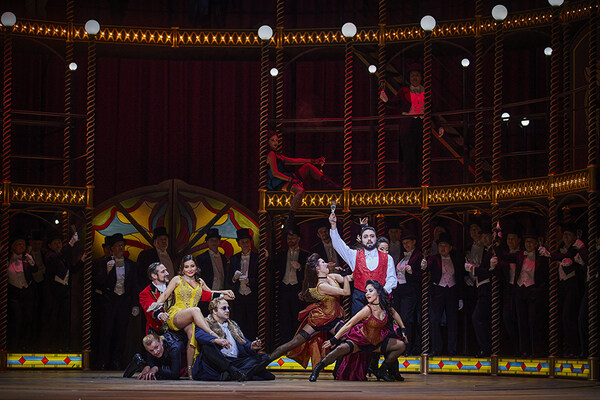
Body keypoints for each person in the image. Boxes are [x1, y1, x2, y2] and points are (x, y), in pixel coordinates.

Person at [147, 255, 234, 378]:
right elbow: (165, 294)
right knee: (196, 310)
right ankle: (213, 335)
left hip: (191, 318)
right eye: (186, 267)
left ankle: (190, 370)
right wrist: (156, 304)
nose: (190, 269)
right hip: (176, 314)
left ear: (196, 267)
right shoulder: (177, 279)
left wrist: (224, 292)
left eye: (192, 266)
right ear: (182, 268)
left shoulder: (200, 281)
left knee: (192, 335)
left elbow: (210, 293)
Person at [309, 280, 408, 382]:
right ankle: (317, 370)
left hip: (377, 342)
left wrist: (403, 328)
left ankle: (382, 370)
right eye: (366, 291)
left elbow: (395, 314)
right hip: (361, 341)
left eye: (370, 291)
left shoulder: (386, 307)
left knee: (401, 346)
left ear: (378, 292)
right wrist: (334, 339)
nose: (367, 294)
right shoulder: (367, 309)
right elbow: (349, 324)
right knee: (339, 349)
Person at [267, 253, 351, 368]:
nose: (326, 263)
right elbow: (346, 292)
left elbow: (350, 277)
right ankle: (261, 364)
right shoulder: (321, 285)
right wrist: (345, 275)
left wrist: (356, 264)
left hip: (332, 319)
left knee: (347, 339)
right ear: (317, 268)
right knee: (293, 343)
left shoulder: (332, 276)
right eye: (323, 262)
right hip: (319, 320)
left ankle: (337, 369)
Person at [266, 132, 339, 231]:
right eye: (272, 140)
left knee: (308, 166)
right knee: (300, 191)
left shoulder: (278, 155)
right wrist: (291, 180)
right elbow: (275, 173)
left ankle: (329, 183)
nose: (275, 142)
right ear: (268, 142)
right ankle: (290, 218)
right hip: (279, 181)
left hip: (286, 178)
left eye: (277, 140)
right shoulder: (271, 154)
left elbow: (294, 161)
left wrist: (312, 161)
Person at [329, 210, 397, 315]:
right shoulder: (354, 255)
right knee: (358, 325)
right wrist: (333, 225)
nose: (369, 239)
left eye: (372, 236)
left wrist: (382, 293)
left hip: (380, 299)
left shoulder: (387, 258)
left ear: (376, 238)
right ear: (361, 239)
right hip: (359, 300)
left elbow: (392, 279)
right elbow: (339, 246)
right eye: (365, 237)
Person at [192, 298, 275, 381]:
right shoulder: (206, 323)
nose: (227, 310)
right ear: (214, 311)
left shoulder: (233, 326)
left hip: (235, 361)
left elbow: (244, 343)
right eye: (224, 308)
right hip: (218, 362)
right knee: (207, 346)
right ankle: (235, 372)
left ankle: (233, 374)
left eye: (228, 308)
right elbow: (199, 335)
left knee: (264, 358)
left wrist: (251, 346)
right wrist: (216, 340)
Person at [497, 231, 549, 357]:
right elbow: (504, 257)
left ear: (536, 244)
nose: (528, 244)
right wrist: (497, 245)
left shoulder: (541, 257)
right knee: (521, 322)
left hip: (533, 292)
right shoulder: (519, 255)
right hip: (520, 291)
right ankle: (524, 350)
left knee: (533, 322)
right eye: (526, 242)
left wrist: (537, 290)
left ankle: (535, 350)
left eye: (531, 242)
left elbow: (545, 277)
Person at [95, 233, 139, 370]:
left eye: (122, 245)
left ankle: (117, 361)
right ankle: (103, 361)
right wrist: (109, 270)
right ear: (112, 248)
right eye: (118, 246)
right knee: (106, 331)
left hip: (124, 302)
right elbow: (98, 282)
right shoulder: (104, 263)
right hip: (109, 301)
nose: (121, 248)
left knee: (121, 332)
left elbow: (134, 285)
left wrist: (135, 304)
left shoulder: (130, 264)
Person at [380, 63, 424, 187]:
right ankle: (410, 185)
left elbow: (433, 110)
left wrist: (439, 126)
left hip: (422, 127)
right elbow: (394, 103)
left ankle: (422, 184)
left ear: (421, 77)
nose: (415, 78)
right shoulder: (404, 91)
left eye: (417, 75)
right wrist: (386, 100)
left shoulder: (426, 92)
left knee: (421, 156)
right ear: (409, 78)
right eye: (412, 75)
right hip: (408, 128)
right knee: (409, 157)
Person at [421, 232, 464, 356]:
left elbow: (460, 278)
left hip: (452, 291)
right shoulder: (434, 258)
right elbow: (426, 268)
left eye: (445, 246)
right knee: (435, 320)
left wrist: (460, 298)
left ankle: (452, 349)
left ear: (450, 247)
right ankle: (436, 348)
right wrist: (424, 265)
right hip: (438, 292)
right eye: (440, 245)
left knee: (452, 321)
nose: (442, 248)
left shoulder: (456, 259)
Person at [43, 230, 84, 351]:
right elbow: (56, 258)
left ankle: (64, 345)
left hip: (65, 292)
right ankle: (51, 345)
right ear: (50, 245)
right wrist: (71, 244)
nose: (58, 245)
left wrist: (82, 260)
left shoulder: (64, 258)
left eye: (59, 243)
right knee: (53, 319)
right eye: (55, 243)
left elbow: (73, 269)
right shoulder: (50, 256)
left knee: (65, 320)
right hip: (53, 293)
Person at [465, 227, 498, 357]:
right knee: (481, 318)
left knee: (478, 317)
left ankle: (486, 347)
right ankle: (485, 347)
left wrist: (472, 269)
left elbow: (490, 272)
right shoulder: (486, 251)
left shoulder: (493, 251)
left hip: (488, 288)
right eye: (482, 237)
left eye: (486, 236)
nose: (483, 239)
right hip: (481, 288)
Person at [273, 226, 309, 343]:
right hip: (284, 288)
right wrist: (267, 258)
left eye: (293, 238)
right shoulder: (282, 254)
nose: (290, 240)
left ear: (298, 239)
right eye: (288, 238)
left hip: (298, 289)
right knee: (284, 317)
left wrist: (300, 267)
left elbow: (311, 273)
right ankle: (285, 344)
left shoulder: (305, 254)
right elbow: (273, 267)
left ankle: (297, 343)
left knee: (296, 316)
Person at [393, 230, 423, 356]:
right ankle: (398, 346)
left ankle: (407, 347)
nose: (406, 245)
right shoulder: (402, 257)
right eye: (404, 243)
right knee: (397, 319)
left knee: (406, 319)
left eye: (408, 243)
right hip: (398, 290)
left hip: (410, 290)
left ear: (414, 242)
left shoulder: (418, 256)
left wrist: (412, 272)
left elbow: (422, 276)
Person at [7, 232, 37, 351]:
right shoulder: (7, 258)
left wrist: (32, 262)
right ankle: (13, 344)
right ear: (13, 246)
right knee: (16, 318)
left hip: (27, 292)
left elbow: (35, 270)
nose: (21, 246)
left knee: (28, 318)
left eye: (23, 244)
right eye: (19, 244)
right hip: (14, 293)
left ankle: (25, 345)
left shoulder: (26, 259)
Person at [228, 228, 259, 339]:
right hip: (238, 296)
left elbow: (262, 278)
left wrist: (249, 281)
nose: (245, 244)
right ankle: (240, 344)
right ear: (238, 243)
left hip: (252, 295)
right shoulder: (234, 259)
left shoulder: (257, 258)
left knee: (252, 322)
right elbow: (229, 280)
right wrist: (234, 278)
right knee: (239, 321)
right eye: (243, 242)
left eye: (247, 242)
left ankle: (252, 345)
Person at [196, 228, 229, 294]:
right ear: (207, 242)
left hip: (222, 291)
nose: (214, 242)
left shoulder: (223, 258)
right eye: (211, 240)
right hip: (207, 291)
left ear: (219, 242)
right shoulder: (201, 258)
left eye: (216, 240)